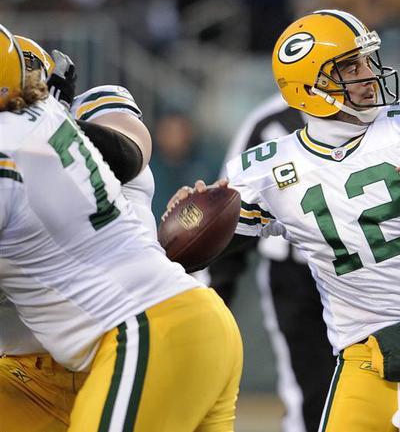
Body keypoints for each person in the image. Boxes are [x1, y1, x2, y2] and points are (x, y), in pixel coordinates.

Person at [172, 9, 400, 432]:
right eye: (351, 67)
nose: (369, 75)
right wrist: (189, 221)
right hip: (367, 365)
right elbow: (198, 252)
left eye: (368, 61)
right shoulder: (267, 168)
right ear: (310, 87)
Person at [0, 25, 242, 431]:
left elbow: (129, 153)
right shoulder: (39, 130)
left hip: (139, 326)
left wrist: (49, 121)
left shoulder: (32, 139)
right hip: (66, 356)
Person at [0, 35, 157, 432]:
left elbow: (130, 153)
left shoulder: (85, 116)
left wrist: (49, 122)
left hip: (127, 342)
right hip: (28, 369)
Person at [208, 94, 335, 432]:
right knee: (310, 388)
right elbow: (231, 211)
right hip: (294, 274)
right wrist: (218, 289)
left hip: (366, 267)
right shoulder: (269, 123)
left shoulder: (375, 114)